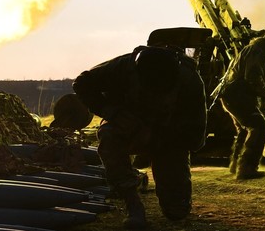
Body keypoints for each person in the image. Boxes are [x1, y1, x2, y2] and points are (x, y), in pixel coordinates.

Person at [72, 45, 207, 229]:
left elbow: (195, 138)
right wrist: (113, 113)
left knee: (176, 211)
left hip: (167, 139)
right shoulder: (123, 67)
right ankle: (132, 204)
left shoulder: (190, 82)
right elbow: (82, 83)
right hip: (129, 128)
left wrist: (163, 140)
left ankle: (170, 196)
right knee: (109, 134)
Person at [219, 30, 265, 180]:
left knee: (244, 130)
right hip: (238, 95)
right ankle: (247, 168)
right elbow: (253, 75)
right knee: (259, 127)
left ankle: (236, 165)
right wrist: (264, 93)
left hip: (230, 95)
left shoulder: (249, 49)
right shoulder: (259, 52)